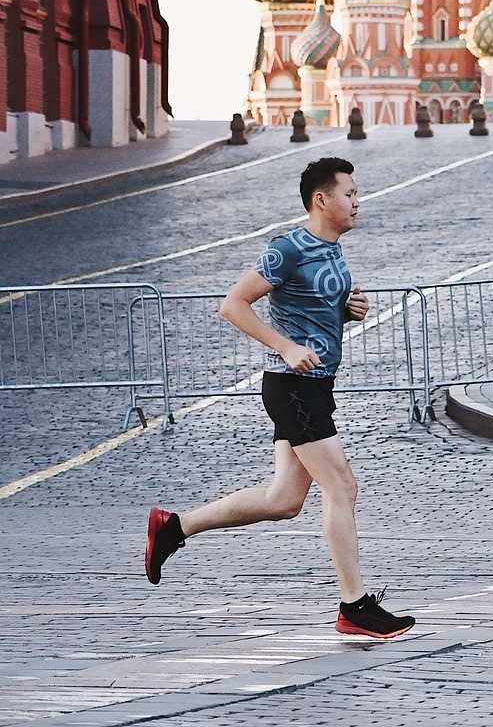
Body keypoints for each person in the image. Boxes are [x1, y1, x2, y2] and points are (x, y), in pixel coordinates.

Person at [144, 156, 415, 640]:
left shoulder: (330, 250)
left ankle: (173, 527)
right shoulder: (287, 249)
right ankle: (353, 606)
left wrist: (349, 311)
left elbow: (311, 312)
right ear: (321, 199)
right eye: (349, 193)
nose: (357, 201)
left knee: (284, 500)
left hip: (314, 387)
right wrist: (285, 347)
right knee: (343, 487)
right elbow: (232, 304)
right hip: (292, 390)